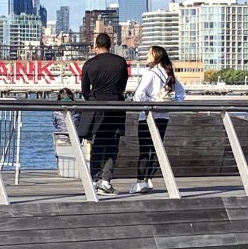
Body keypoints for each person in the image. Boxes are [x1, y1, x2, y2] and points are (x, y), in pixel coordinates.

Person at [76, 33, 129, 194]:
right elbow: (123, 85)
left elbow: (85, 90)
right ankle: (106, 181)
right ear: (110, 45)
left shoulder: (90, 64)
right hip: (116, 107)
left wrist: (93, 99)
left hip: (97, 107)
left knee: (97, 144)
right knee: (113, 144)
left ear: (95, 45)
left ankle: (93, 180)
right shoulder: (120, 62)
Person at [130, 45, 185, 194]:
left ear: (157, 56)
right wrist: (168, 103)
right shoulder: (168, 74)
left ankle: (140, 182)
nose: (147, 56)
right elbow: (181, 94)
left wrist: (151, 102)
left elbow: (138, 95)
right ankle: (149, 179)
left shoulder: (150, 73)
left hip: (147, 117)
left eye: (150, 53)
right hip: (163, 116)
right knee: (156, 149)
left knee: (144, 150)